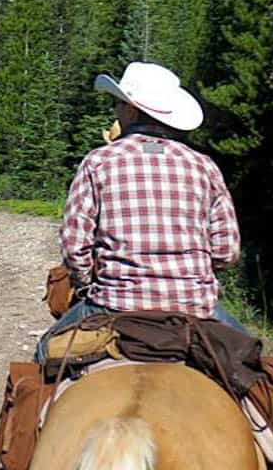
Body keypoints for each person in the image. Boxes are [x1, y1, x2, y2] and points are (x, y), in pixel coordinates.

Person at [37, 62, 244, 363]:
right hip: (195, 308)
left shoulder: (98, 161)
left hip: (114, 305)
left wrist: (85, 283)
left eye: (119, 103)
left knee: (43, 355)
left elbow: (74, 246)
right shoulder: (204, 166)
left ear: (132, 111)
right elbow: (227, 252)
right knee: (261, 371)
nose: (116, 111)